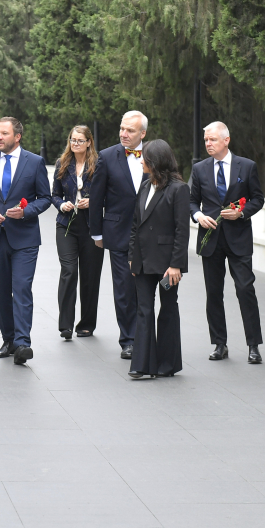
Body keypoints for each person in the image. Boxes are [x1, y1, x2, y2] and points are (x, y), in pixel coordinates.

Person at [0, 117, 51, 364]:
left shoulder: (34, 162)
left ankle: (23, 343)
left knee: (22, 288)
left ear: (17, 136)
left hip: (25, 239)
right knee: (1, 291)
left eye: (4, 133)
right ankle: (9, 339)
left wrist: (26, 212)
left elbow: (45, 198)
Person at [189, 122, 265, 364]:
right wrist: (198, 216)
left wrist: (241, 212)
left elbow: (258, 199)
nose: (208, 144)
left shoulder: (247, 166)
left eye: (212, 139)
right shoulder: (199, 169)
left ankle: (253, 346)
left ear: (226, 140)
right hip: (210, 239)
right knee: (214, 293)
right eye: (206, 140)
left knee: (245, 289)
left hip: (239, 239)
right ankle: (219, 344)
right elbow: (191, 201)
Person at [127, 140, 190, 378]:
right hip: (142, 262)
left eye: (145, 158)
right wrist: (132, 257)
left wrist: (176, 265)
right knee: (143, 309)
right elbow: (136, 225)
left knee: (168, 308)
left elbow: (182, 230)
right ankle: (142, 365)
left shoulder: (179, 189)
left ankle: (167, 364)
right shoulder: (145, 185)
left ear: (156, 161)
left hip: (166, 266)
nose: (141, 161)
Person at [89, 110, 148, 360]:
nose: (124, 133)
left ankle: (146, 337)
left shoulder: (154, 154)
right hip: (118, 232)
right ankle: (129, 339)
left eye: (130, 130)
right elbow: (96, 197)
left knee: (145, 288)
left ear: (142, 134)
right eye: (122, 128)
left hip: (150, 234)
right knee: (124, 288)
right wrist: (96, 233)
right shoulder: (106, 156)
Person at [51, 126, 104, 340]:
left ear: (89, 142)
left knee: (90, 276)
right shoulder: (62, 163)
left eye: (80, 140)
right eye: (73, 140)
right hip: (66, 225)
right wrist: (61, 204)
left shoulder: (99, 164)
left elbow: (109, 194)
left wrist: (93, 202)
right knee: (69, 271)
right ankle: (65, 324)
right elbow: (54, 194)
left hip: (92, 227)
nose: (75, 144)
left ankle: (87, 324)